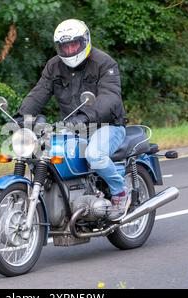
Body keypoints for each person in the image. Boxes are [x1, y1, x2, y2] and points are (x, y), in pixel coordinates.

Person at [13, 19, 128, 219]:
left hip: (107, 125)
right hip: (72, 127)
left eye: (73, 44)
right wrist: (21, 117)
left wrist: (84, 118)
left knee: (94, 155)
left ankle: (120, 193)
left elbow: (110, 98)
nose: (69, 50)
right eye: (64, 46)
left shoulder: (104, 62)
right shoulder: (54, 66)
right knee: (41, 155)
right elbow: (39, 93)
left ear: (85, 41)